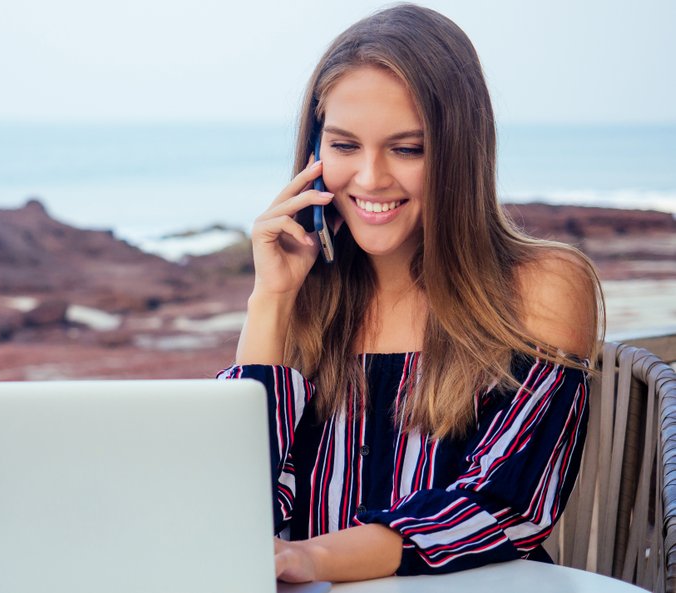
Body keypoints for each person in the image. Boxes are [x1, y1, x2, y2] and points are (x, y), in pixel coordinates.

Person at [217, 3, 603, 583]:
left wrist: (310, 557)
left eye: (408, 149)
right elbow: (232, 499)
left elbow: (506, 506)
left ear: (460, 153)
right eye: (345, 146)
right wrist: (270, 298)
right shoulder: (294, 298)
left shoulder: (540, 286)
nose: (370, 178)